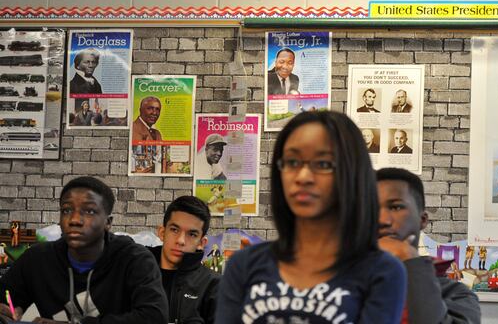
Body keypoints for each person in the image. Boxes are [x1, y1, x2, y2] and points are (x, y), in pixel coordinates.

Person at [215, 111, 407, 323]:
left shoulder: (381, 272)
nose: (303, 177)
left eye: (323, 164)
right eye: (292, 162)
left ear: (352, 172)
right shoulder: (244, 265)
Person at [0, 176, 168, 323]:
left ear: (108, 222)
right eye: (66, 210)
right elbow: (6, 299)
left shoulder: (135, 259)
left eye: (89, 211)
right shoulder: (37, 259)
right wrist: (9, 310)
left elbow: (155, 317)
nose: (74, 220)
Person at [377, 167, 481, 323]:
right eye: (371, 208)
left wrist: (408, 256)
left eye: (396, 207)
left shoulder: (456, 294)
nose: (382, 220)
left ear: (423, 220)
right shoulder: (342, 283)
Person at [151, 196, 219, 324]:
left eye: (192, 234)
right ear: (162, 232)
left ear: (201, 243)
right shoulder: (138, 273)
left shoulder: (214, 286)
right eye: (174, 230)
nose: (181, 241)